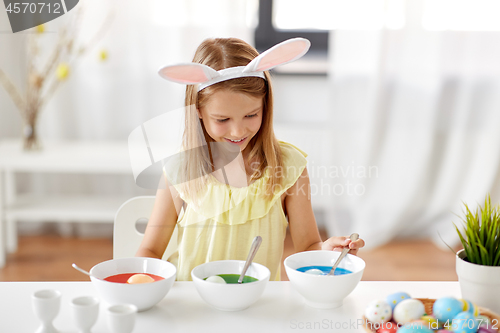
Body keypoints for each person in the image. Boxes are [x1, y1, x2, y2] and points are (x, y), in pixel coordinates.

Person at [135, 37, 365, 281]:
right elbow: (150, 250)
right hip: (193, 304)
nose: (238, 131)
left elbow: (308, 247)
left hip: (259, 305)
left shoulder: (289, 167)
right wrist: (140, 280)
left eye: (251, 115)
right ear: (198, 111)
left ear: (265, 106)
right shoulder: (180, 169)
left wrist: (326, 252)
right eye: (222, 120)